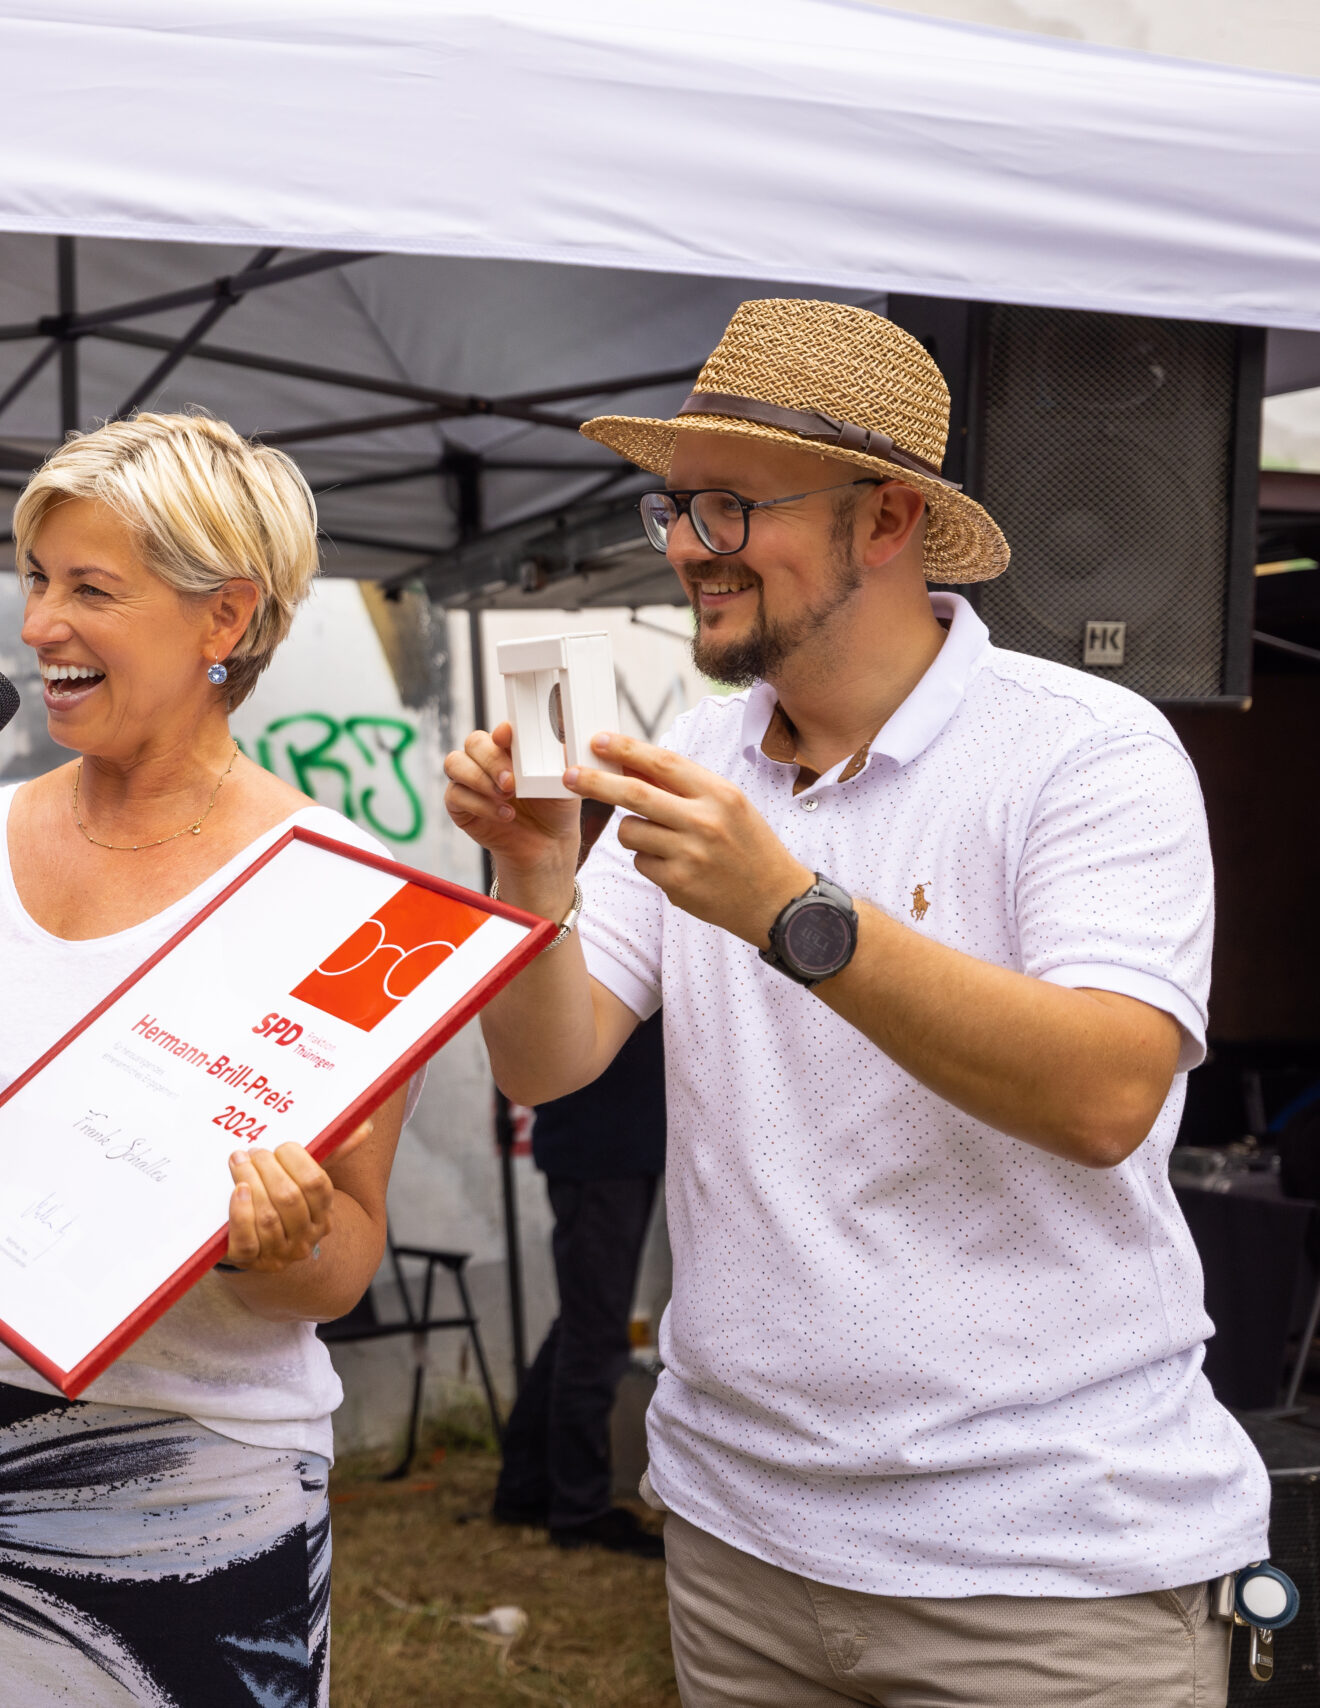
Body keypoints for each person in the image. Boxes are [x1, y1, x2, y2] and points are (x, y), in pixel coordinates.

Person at [441, 299, 1264, 1704]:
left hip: (1042, 1569)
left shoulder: (1088, 752)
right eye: (674, 509)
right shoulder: (705, 751)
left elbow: (1107, 1096)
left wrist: (789, 911)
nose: (690, 547)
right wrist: (530, 888)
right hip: (742, 1544)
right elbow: (552, 1066)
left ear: (886, 522)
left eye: (729, 506)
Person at [0, 412, 400, 1708]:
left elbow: (341, 1267)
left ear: (225, 619)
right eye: (39, 584)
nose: (40, 627)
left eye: (89, 590)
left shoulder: (346, 892)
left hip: (197, 1498)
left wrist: (278, 1238)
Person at [491, 798, 666, 1560]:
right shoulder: (587, 909)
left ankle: (526, 1486)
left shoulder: (594, 900)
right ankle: (578, 1506)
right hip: (603, 1148)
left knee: (579, 1322)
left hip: (601, 1147)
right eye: (608, 824)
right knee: (594, 1331)